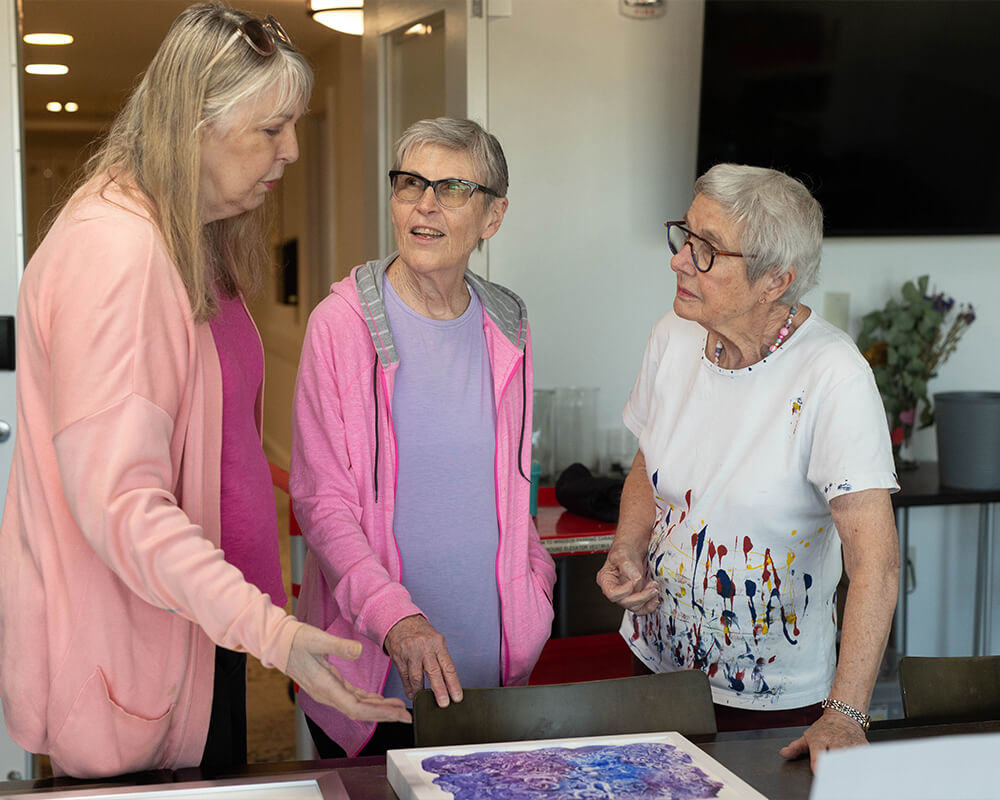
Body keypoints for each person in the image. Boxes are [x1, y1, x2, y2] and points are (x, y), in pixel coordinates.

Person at [0, 1, 408, 779]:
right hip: (134, 658)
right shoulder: (117, 254)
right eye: (270, 129)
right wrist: (277, 632)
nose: (290, 151)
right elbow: (123, 505)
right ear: (194, 122)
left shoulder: (179, 237)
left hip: (199, 629)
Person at [596, 163, 900, 772]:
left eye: (706, 251)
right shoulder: (673, 336)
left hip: (770, 703)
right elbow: (645, 463)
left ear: (774, 280)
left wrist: (847, 712)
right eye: (684, 236)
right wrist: (627, 545)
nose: (679, 260)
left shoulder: (831, 375)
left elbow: (878, 565)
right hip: (656, 670)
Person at [290, 117, 556, 758]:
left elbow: (511, 484)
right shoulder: (340, 325)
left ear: (493, 217)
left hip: (492, 671)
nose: (425, 204)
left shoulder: (508, 322)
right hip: (375, 674)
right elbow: (322, 504)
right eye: (410, 183)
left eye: (452, 188)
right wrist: (397, 621)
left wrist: (534, 589)